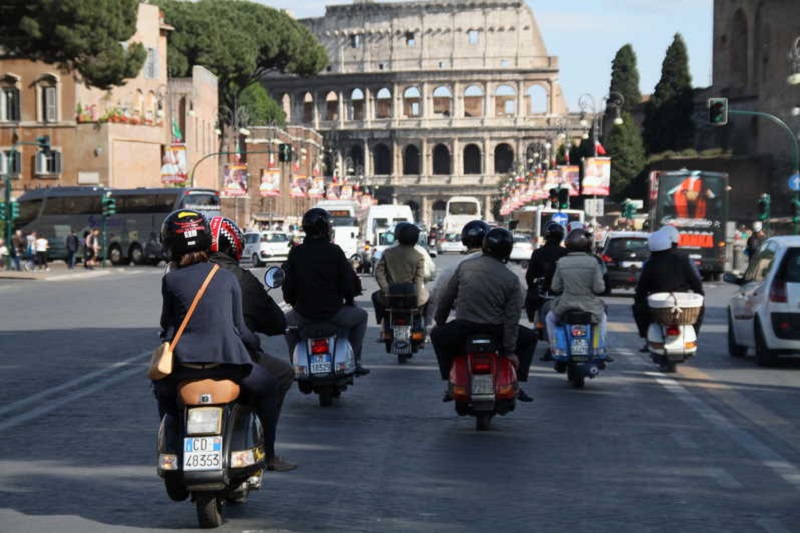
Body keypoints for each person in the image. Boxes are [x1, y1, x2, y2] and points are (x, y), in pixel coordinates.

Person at [152, 209, 280, 465]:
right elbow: (240, 330)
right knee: (270, 387)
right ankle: (264, 451)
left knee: (162, 391)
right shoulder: (225, 277)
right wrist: (254, 344)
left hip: (184, 369)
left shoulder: (171, 280)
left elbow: (167, 326)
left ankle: (173, 449)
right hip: (228, 367)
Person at [207, 216, 297, 471]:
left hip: (188, 361)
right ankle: (267, 452)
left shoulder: (183, 274)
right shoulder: (241, 279)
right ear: (234, 245)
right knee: (280, 376)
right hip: (234, 360)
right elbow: (274, 323)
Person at [431, 227, 536, 403]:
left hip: (463, 327)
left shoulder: (465, 267)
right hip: (497, 330)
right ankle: (518, 381)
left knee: (436, 335)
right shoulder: (510, 277)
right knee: (530, 337)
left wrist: (440, 321)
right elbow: (512, 317)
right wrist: (510, 351)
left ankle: (449, 378)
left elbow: (446, 298)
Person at [282, 208, 370, 375]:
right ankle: (356, 360)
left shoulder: (296, 253)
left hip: (303, 314)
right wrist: (352, 295)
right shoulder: (334, 251)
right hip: (334, 313)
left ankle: (295, 364)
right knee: (362, 317)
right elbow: (349, 283)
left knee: (286, 325)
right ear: (326, 229)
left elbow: (288, 287)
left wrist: (294, 302)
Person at [632, 227, 705, 353]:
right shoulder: (683, 259)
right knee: (700, 309)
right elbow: (695, 281)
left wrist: (639, 299)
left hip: (658, 302)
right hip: (682, 301)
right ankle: (694, 335)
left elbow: (641, 288)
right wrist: (699, 294)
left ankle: (646, 337)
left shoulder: (651, 262)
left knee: (638, 309)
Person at [545, 229, 610, 361]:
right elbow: (599, 288)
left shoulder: (561, 262)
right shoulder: (593, 262)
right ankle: (599, 348)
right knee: (602, 318)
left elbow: (555, 287)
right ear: (587, 245)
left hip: (565, 305)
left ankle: (554, 347)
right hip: (590, 306)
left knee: (549, 318)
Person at [427, 220, 489, 323]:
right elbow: (520, 295)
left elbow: (439, 296)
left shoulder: (454, 267)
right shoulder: (504, 266)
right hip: (497, 327)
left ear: (464, 241)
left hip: (464, 324)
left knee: (436, 334)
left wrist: (434, 322)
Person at [525, 222, 568, 360]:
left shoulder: (538, 253)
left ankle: (539, 327)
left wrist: (532, 287)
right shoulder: (566, 254)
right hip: (560, 292)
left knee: (533, 303)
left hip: (547, 292)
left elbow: (530, 275)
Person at [373, 222, 429, 324]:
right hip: (411, 296)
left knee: (375, 296)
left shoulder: (387, 252)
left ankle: (381, 319)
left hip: (390, 296)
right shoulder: (419, 256)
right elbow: (419, 279)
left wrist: (386, 289)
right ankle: (419, 322)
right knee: (427, 297)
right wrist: (416, 294)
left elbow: (378, 273)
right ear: (416, 239)